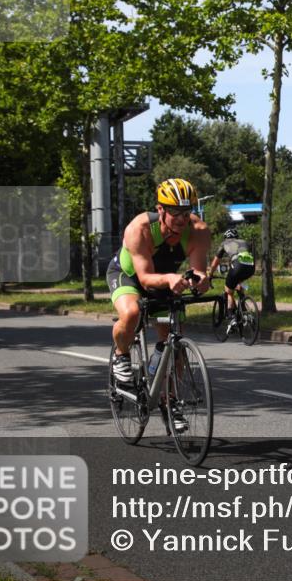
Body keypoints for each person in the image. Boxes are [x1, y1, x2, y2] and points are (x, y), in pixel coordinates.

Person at [106, 179, 212, 425]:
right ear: (161, 209)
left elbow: (198, 270)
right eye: (174, 212)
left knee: (174, 342)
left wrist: (201, 280)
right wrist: (169, 279)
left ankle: (169, 402)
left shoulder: (199, 231)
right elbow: (144, 278)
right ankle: (121, 356)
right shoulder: (140, 228)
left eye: (187, 212)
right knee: (132, 313)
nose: (181, 219)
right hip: (128, 275)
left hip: (166, 279)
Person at [207, 227, 256, 318]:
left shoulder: (224, 243)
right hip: (251, 267)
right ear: (236, 236)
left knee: (228, 290)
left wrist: (210, 275)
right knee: (238, 284)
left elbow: (215, 262)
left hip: (237, 266)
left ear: (226, 237)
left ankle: (231, 315)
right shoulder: (244, 242)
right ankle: (243, 309)